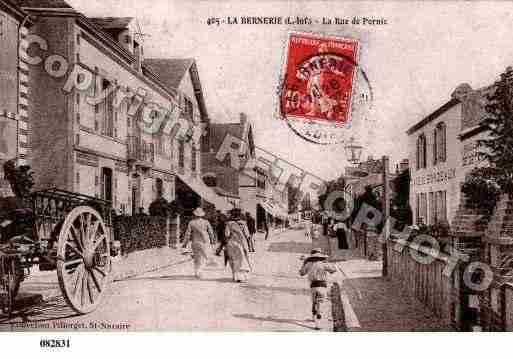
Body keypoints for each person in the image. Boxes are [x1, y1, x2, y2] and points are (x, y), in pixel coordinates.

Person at [299, 248, 338, 330]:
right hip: (322, 286)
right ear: (321, 256)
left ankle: (314, 316)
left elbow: (301, 273)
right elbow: (334, 270)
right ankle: (318, 324)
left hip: (313, 286)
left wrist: (304, 263)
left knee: (314, 302)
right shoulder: (323, 264)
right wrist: (328, 262)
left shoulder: (309, 264)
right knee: (320, 303)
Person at [182, 207, 216, 279]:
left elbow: (187, 233)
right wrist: (213, 241)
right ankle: (200, 272)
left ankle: (197, 272)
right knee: (204, 257)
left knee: (197, 257)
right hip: (205, 242)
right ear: (202, 215)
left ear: (195, 215)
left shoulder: (191, 222)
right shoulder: (206, 222)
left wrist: (185, 243)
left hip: (195, 241)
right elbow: (211, 233)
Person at [225, 208, 252, 282]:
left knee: (232, 259)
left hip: (231, 243)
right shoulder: (243, 223)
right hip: (241, 243)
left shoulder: (228, 224)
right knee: (242, 260)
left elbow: (226, 234)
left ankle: (234, 275)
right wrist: (249, 245)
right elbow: (247, 235)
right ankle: (241, 277)